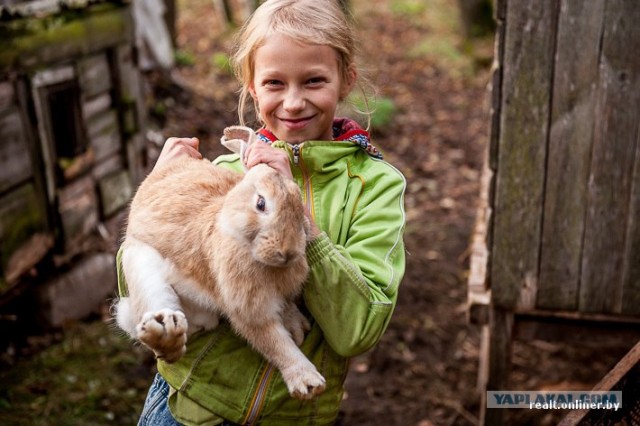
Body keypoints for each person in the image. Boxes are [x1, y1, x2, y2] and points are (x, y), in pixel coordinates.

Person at [120, 0, 406, 424]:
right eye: (274, 82)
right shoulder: (225, 174)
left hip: (292, 414)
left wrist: (304, 226)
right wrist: (156, 187)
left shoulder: (374, 187)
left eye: (313, 81)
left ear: (346, 80)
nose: (292, 102)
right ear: (251, 85)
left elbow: (356, 331)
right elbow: (139, 270)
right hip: (189, 407)